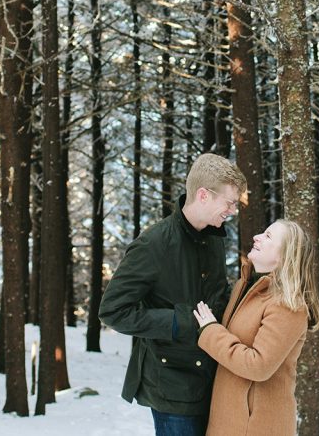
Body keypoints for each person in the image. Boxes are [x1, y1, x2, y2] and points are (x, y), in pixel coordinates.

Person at [99, 153, 248, 436]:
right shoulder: (153, 245)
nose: (232, 211)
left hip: (214, 377)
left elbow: (216, 294)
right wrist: (180, 321)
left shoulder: (214, 238)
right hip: (173, 387)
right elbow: (112, 311)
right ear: (204, 195)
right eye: (228, 203)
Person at [192, 219, 319, 436]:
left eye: (268, 236)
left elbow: (258, 366)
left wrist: (211, 331)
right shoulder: (246, 286)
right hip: (228, 421)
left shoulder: (288, 305)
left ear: (284, 256)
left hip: (256, 426)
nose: (256, 237)